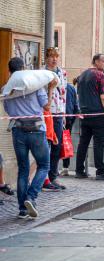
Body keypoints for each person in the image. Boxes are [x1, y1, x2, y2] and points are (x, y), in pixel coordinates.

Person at [3, 57, 56, 218]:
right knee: (44, 165)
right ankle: (31, 197)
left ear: (9, 71)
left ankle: (22, 209)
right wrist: (51, 89)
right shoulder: (34, 85)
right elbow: (46, 106)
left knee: (23, 169)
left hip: (18, 130)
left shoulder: (7, 88)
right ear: (24, 68)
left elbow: (8, 110)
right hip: (37, 129)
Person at [75, 53, 104, 180]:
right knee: (99, 143)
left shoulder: (82, 75)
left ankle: (79, 170)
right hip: (98, 114)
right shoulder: (100, 75)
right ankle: (100, 171)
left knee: (83, 143)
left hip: (85, 114)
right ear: (96, 61)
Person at [43, 47, 68, 191]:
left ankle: (53, 176)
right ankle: (44, 177)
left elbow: (64, 94)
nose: (54, 59)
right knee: (46, 145)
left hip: (58, 112)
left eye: (56, 56)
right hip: (47, 113)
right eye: (51, 56)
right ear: (46, 58)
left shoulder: (62, 72)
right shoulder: (42, 72)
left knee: (57, 146)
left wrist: (63, 114)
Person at [61, 80, 80, 177]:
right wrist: (76, 113)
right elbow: (75, 103)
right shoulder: (71, 87)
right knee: (66, 141)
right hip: (69, 117)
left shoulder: (55, 85)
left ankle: (53, 169)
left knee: (55, 143)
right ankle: (65, 167)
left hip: (58, 117)